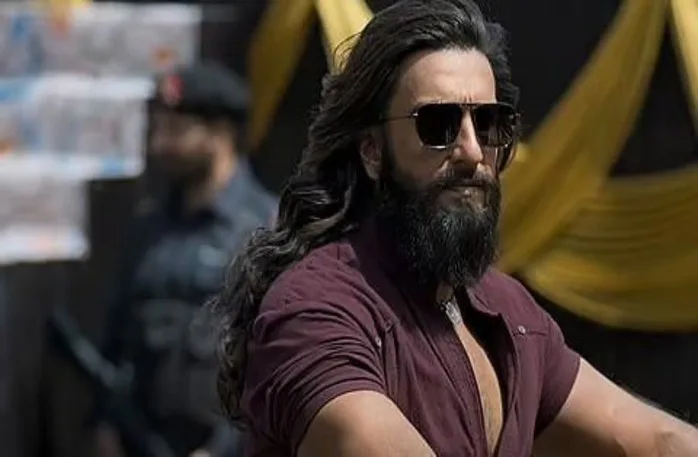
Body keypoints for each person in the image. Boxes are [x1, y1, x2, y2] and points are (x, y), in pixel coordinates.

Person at [210, 1, 698, 456]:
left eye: (489, 123)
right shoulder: (316, 311)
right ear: (373, 151)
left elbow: (659, 439)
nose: (471, 151)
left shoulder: (509, 312)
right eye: (438, 125)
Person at [95, 62, 276, 457]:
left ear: (219, 134)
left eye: (176, 131)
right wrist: (106, 424)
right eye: (158, 130)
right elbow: (116, 335)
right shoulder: (148, 227)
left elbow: (277, 360)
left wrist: (224, 449)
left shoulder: (266, 230)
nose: (160, 145)